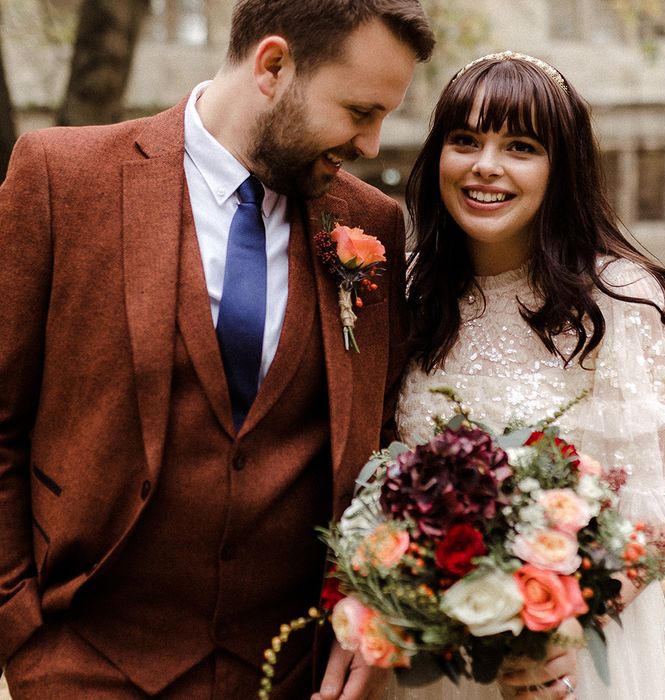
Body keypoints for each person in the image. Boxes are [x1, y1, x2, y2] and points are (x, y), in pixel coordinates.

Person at [0, 1, 434, 698]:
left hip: (294, 672)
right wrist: (18, 623)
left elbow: (380, 436)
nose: (374, 144)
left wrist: (371, 597)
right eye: (359, 111)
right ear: (272, 66)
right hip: (82, 661)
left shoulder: (371, 223)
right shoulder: (62, 178)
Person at [389, 52, 665, 699]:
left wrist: (551, 634)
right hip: (430, 663)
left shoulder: (625, 301)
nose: (485, 165)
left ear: (561, 168)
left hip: (571, 658)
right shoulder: (406, 292)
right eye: (464, 140)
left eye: (519, 146)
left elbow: (659, 532)